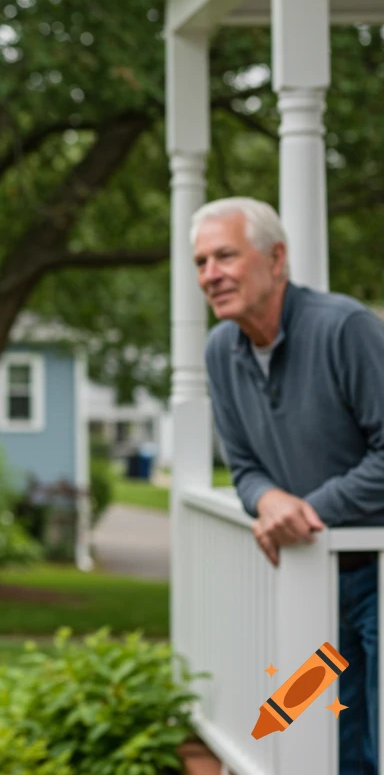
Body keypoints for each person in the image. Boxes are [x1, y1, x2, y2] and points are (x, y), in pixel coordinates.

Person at [194, 196, 384, 775]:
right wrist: (270, 500)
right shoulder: (220, 352)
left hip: (376, 575)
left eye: (225, 255)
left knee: (380, 742)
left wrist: (305, 511)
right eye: (200, 262)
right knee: (322, 734)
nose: (210, 275)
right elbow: (245, 467)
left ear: (277, 260)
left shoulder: (345, 329)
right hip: (312, 583)